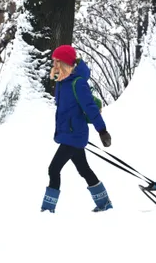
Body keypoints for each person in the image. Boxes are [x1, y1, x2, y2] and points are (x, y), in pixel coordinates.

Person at [40, 44, 113, 213]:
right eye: (54, 62)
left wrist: (102, 130)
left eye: (57, 62)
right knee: (84, 169)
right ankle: (104, 203)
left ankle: (47, 209)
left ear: (65, 63)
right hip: (68, 134)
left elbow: (90, 108)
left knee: (54, 169)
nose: (54, 66)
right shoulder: (61, 83)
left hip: (74, 135)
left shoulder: (78, 84)